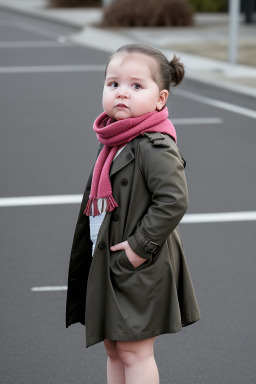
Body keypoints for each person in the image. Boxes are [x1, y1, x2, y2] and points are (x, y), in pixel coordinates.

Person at [66, 43, 200, 384]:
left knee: (135, 352)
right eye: (113, 84)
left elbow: (173, 200)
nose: (122, 93)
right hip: (112, 256)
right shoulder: (116, 139)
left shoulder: (154, 143)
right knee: (114, 347)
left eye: (136, 86)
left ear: (161, 99)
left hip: (140, 263)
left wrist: (139, 248)